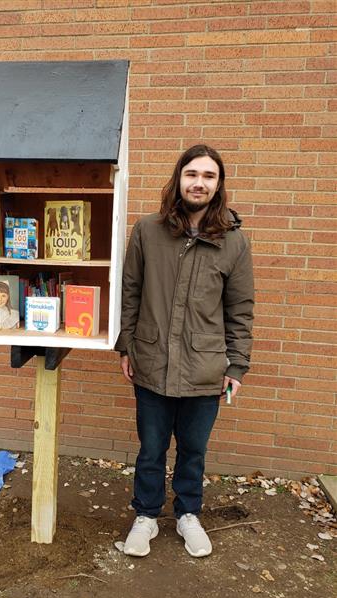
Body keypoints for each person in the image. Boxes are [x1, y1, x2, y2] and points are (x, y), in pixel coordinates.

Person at [115, 144, 254, 558]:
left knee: (193, 450)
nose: (199, 182)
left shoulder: (234, 242)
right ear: (179, 178)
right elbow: (130, 293)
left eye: (209, 176)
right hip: (152, 361)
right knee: (151, 448)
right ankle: (146, 516)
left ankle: (188, 514)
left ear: (219, 184)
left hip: (205, 367)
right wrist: (126, 345)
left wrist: (237, 365)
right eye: (192, 173)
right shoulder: (147, 231)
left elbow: (240, 309)